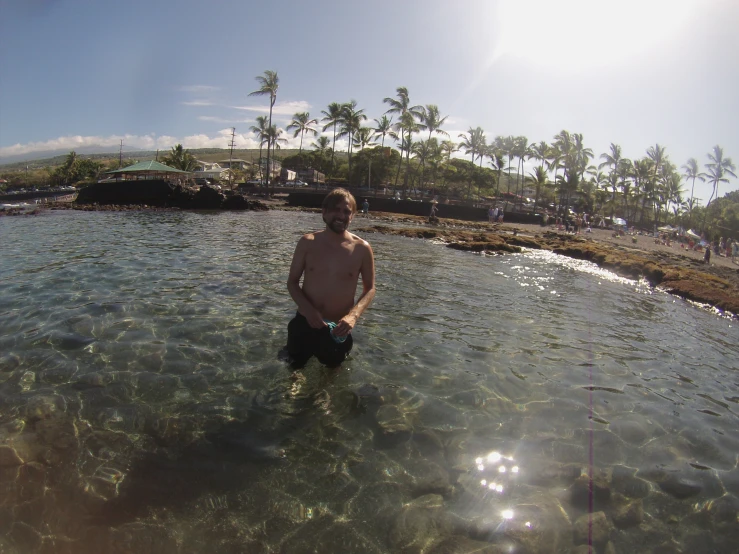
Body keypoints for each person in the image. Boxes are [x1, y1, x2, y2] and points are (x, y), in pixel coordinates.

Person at [286, 188, 376, 368]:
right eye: (336, 209)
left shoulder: (362, 249)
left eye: (346, 211)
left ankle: (323, 394)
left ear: (352, 216)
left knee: (331, 372)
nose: (341, 215)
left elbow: (370, 289)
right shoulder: (307, 242)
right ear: (324, 212)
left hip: (338, 327)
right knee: (295, 368)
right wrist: (309, 310)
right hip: (305, 321)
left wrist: (353, 316)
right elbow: (292, 282)